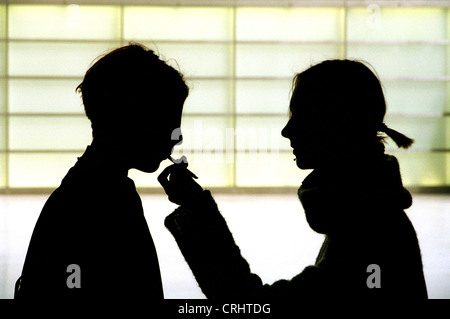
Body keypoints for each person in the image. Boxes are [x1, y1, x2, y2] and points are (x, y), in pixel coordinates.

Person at [159, 59, 428, 300]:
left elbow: (250, 304)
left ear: (335, 125)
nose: (287, 131)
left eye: (301, 116)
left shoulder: (368, 234)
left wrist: (198, 211)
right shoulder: (372, 215)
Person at [15, 43, 189, 300]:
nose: (177, 136)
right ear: (132, 122)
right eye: (167, 122)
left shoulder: (84, 191)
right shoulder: (107, 202)